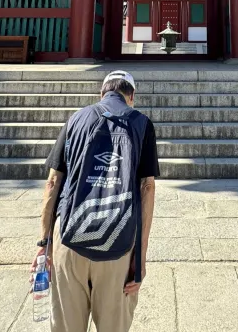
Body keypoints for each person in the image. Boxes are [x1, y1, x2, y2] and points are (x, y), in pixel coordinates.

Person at [34, 70, 158, 332]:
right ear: (131, 96)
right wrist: (141, 256)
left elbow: (53, 183)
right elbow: (147, 188)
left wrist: (44, 244)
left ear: (101, 94)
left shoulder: (75, 120)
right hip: (118, 241)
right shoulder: (142, 124)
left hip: (70, 237)